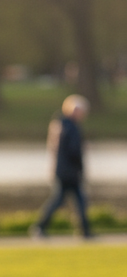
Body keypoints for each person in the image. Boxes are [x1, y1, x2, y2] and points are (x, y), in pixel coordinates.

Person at [31, 95, 92, 238]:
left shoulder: (60, 125)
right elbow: (73, 150)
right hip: (68, 172)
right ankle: (40, 227)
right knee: (64, 201)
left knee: (74, 201)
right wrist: (80, 163)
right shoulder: (70, 127)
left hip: (63, 170)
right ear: (74, 110)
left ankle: (84, 231)